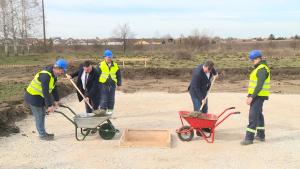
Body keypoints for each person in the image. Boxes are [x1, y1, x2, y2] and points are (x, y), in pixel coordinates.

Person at [24, 59, 68, 141]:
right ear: (57, 68)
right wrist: (50, 106)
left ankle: (43, 133)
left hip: (39, 97)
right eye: (62, 71)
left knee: (42, 114)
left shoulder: (53, 76)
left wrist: (57, 100)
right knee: (39, 115)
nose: (62, 73)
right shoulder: (45, 76)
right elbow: (45, 92)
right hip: (33, 97)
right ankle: (42, 135)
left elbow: (54, 88)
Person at [241, 50, 270, 145]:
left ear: (258, 58)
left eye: (253, 60)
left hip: (258, 96)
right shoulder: (259, 68)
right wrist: (249, 95)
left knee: (253, 116)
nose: (252, 62)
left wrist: (251, 97)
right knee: (258, 114)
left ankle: (249, 138)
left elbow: (259, 85)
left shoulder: (262, 69)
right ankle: (261, 135)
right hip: (257, 95)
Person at [96, 49, 122, 115]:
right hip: (103, 84)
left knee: (111, 99)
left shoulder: (115, 65)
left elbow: (118, 75)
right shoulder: (100, 65)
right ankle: (103, 112)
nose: (109, 58)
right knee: (104, 98)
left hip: (112, 85)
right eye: (108, 57)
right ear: (104, 57)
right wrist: (96, 85)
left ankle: (110, 112)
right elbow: (96, 75)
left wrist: (119, 84)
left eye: (110, 57)